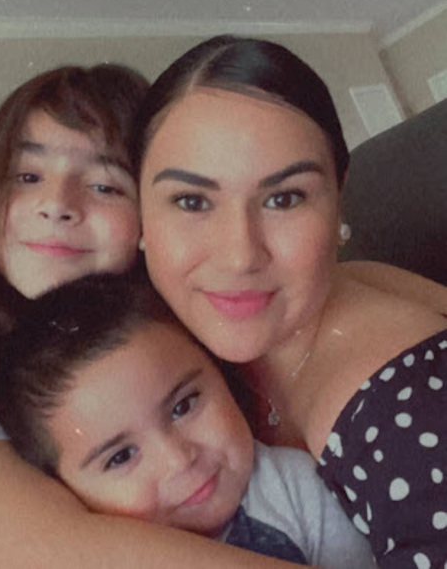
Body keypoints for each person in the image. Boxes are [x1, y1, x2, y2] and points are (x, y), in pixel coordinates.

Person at [0, 61, 321, 569]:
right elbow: (33, 546)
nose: (56, 204)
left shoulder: (201, 315)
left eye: (105, 185)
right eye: (27, 176)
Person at [133, 34, 447, 568]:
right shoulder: (344, 286)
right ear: (139, 213)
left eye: (284, 198)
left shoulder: (404, 408)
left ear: (339, 198)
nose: (240, 256)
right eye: (191, 201)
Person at [0, 273, 375, 569]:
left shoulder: (298, 488)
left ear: (219, 371)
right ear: (62, 490)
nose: (179, 459)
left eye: (183, 407)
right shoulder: (82, 554)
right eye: (121, 456)